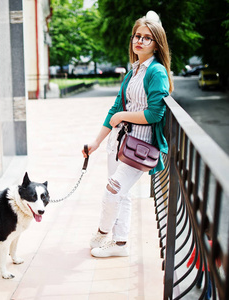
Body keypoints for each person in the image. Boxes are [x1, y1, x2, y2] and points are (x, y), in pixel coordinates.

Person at [83, 11, 174, 258]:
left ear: (157, 44)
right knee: (121, 193)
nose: (140, 41)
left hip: (139, 147)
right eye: (137, 36)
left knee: (112, 191)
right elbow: (115, 108)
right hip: (120, 142)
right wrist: (97, 142)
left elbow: (155, 114)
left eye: (147, 38)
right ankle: (120, 243)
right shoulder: (134, 70)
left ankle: (103, 233)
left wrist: (123, 117)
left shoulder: (156, 72)